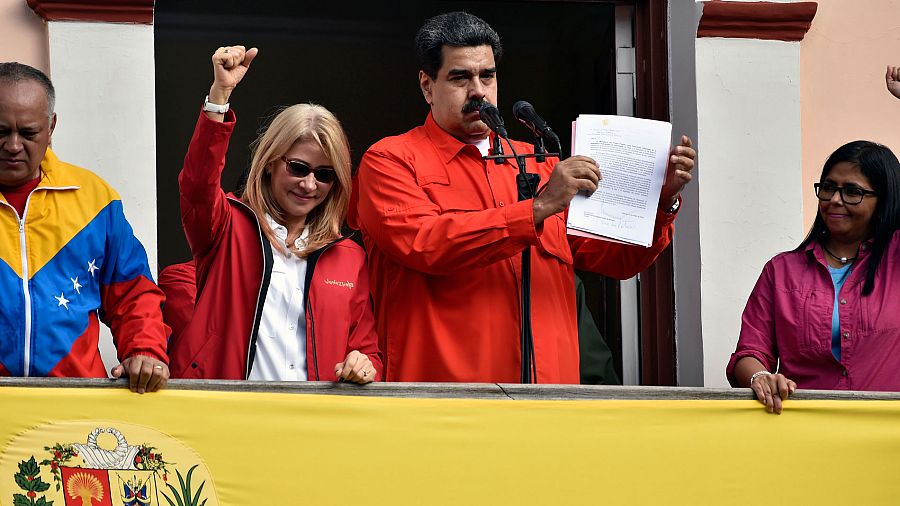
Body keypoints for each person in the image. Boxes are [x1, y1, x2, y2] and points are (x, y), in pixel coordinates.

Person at [351, 12, 696, 383]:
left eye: (488, 75)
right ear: (427, 86)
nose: (478, 90)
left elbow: (616, 259)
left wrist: (659, 202)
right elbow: (425, 243)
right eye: (459, 77)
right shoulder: (389, 160)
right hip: (447, 401)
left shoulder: (538, 161)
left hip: (550, 399)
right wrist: (539, 208)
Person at [168, 46, 381, 383]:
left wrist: (363, 364)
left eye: (325, 174)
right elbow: (196, 186)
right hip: (229, 415)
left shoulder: (349, 256)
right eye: (298, 168)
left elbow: (367, 349)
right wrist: (218, 98)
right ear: (269, 162)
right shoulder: (226, 226)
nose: (310, 184)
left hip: (313, 421)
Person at [0, 62, 169, 393]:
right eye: (1, 131)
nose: (14, 145)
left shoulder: (94, 199)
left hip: (76, 400)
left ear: (51, 127)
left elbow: (133, 292)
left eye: (29, 133)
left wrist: (144, 350)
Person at [728, 141, 900, 413]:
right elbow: (750, 352)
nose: (834, 199)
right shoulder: (782, 271)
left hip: (886, 434)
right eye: (829, 187)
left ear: (885, 200)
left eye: (852, 192)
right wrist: (760, 377)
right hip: (806, 432)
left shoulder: (895, 260)